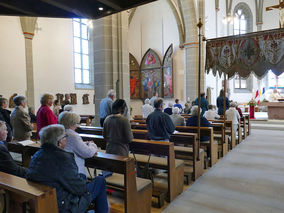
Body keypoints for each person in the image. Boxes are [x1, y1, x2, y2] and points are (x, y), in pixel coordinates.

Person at [26, 124, 109, 213]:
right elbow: (80, 189)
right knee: (100, 181)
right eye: (65, 137)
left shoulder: (37, 155)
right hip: (65, 206)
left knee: (81, 176)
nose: (66, 139)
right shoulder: (63, 158)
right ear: (59, 142)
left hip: (45, 200)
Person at [58, 112, 98, 176]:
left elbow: (70, 145)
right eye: (76, 123)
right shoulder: (73, 135)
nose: (77, 125)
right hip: (75, 173)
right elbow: (88, 153)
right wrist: (92, 145)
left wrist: (83, 143)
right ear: (71, 123)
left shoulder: (59, 132)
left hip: (62, 170)